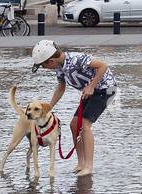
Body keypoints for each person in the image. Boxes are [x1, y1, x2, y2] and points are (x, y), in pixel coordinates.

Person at [31, 39, 116, 177]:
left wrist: (91, 86)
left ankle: (89, 166)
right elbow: (60, 88)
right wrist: (48, 108)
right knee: (74, 125)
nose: (44, 68)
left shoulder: (76, 59)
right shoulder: (60, 68)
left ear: (50, 61)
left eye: (43, 66)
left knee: (84, 125)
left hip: (106, 89)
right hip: (91, 92)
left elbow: (103, 66)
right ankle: (81, 163)